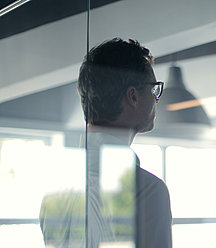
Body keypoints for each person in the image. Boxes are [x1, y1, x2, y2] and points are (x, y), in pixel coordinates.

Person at [40, 38, 172, 248]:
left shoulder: (54, 192)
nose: (156, 98)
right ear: (133, 96)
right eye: (153, 90)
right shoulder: (147, 190)